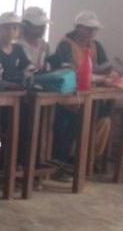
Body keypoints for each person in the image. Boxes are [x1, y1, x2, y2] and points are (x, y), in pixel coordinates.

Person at [48, 10, 117, 164]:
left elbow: (106, 68)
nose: (92, 32)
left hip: (90, 95)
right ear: (78, 28)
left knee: (105, 120)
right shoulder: (66, 45)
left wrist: (111, 74)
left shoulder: (95, 46)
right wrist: (98, 76)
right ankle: (69, 157)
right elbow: (69, 73)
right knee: (74, 119)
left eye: (94, 29)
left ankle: (89, 159)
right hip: (70, 97)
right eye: (88, 28)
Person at [18, 7, 51, 73]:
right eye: (38, 26)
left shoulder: (45, 46)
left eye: (44, 25)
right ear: (26, 26)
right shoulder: (16, 46)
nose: (43, 28)